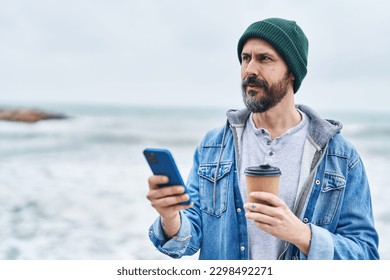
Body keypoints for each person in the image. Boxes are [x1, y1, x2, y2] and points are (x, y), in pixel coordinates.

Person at [146, 18, 379, 260]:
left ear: (291, 72)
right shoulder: (213, 146)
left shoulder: (340, 156)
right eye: (246, 58)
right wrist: (170, 216)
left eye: (264, 59)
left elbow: (366, 255)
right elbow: (189, 238)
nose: (249, 70)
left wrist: (302, 235)